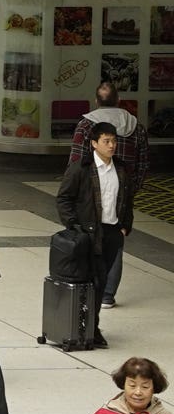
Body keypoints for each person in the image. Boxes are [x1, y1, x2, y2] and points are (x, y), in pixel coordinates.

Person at [60, 121, 136, 318]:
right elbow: (64, 198)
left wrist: (125, 227)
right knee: (93, 278)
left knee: (101, 280)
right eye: (106, 141)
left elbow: (128, 200)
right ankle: (88, 325)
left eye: (114, 141)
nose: (111, 145)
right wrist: (74, 226)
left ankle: (91, 325)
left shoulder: (121, 169)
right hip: (88, 233)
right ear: (94, 143)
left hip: (113, 231)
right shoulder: (81, 168)